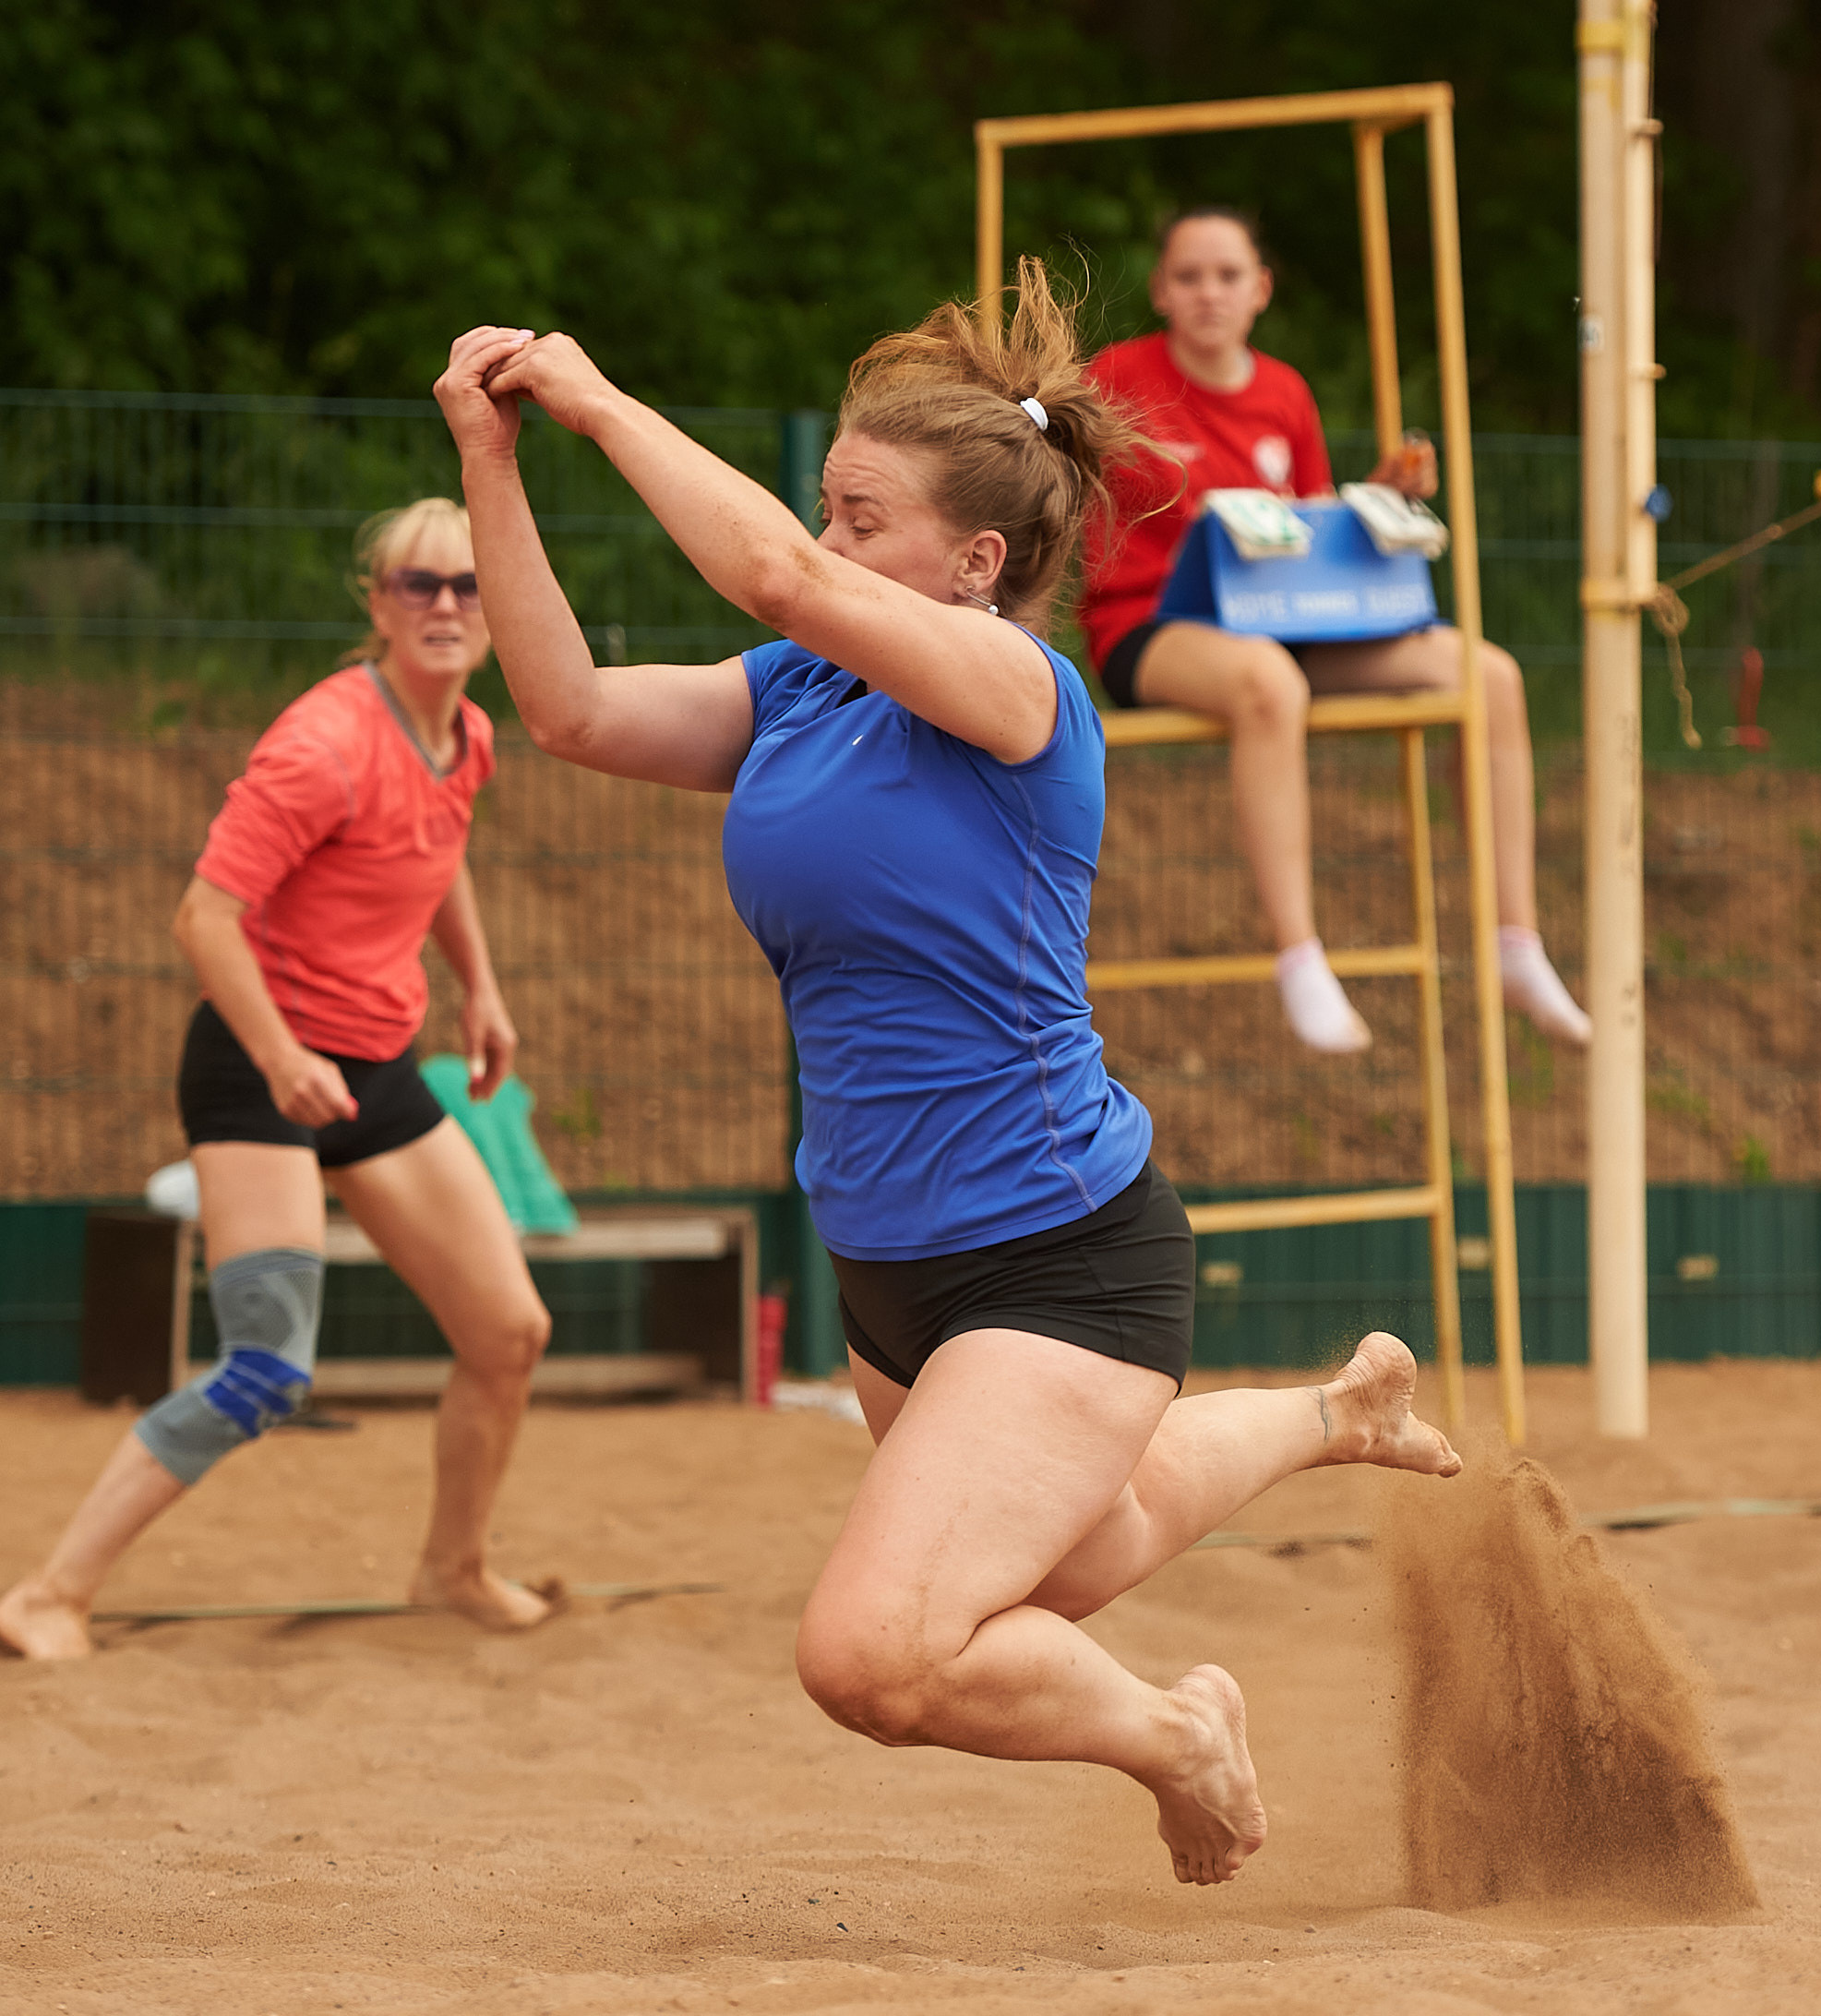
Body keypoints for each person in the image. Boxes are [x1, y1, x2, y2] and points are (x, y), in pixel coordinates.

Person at [435, 258, 1462, 1886]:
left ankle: (1178, 1728)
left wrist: (596, 397)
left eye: (865, 518)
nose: (829, 542)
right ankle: (1338, 1407)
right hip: (890, 1263)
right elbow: (562, 711)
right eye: (830, 513)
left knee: (874, 1655)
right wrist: (493, 465)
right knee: (1074, 1554)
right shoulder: (800, 693)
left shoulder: (1020, 694)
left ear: (977, 561)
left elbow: (770, 571)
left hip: (1058, 1249)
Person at [0, 500, 556, 1662]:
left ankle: (450, 1569)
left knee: (508, 1330)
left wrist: (482, 991)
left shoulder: (470, 735)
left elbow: (434, 858)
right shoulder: (321, 744)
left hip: (374, 1065)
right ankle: (50, 1594)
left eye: (466, 585)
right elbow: (203, 918)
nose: (446, 604)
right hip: (260, 1070)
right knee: (266, 1368)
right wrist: (280, 1055)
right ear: (377, 602)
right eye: (419, 585)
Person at [1084, 206, 1593, 1055]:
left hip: (1285, 620)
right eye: (1189, 276)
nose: (1209, 292)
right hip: (1152, 624)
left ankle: (1516, 942)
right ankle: (1299, 954)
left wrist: (1380, 496)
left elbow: (1307, 528)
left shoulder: (1284, 392)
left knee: (1491, 675)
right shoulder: (1117, 378)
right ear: (1162, 292)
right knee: (1267, 685)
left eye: (1228, 275)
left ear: (1260, 291)